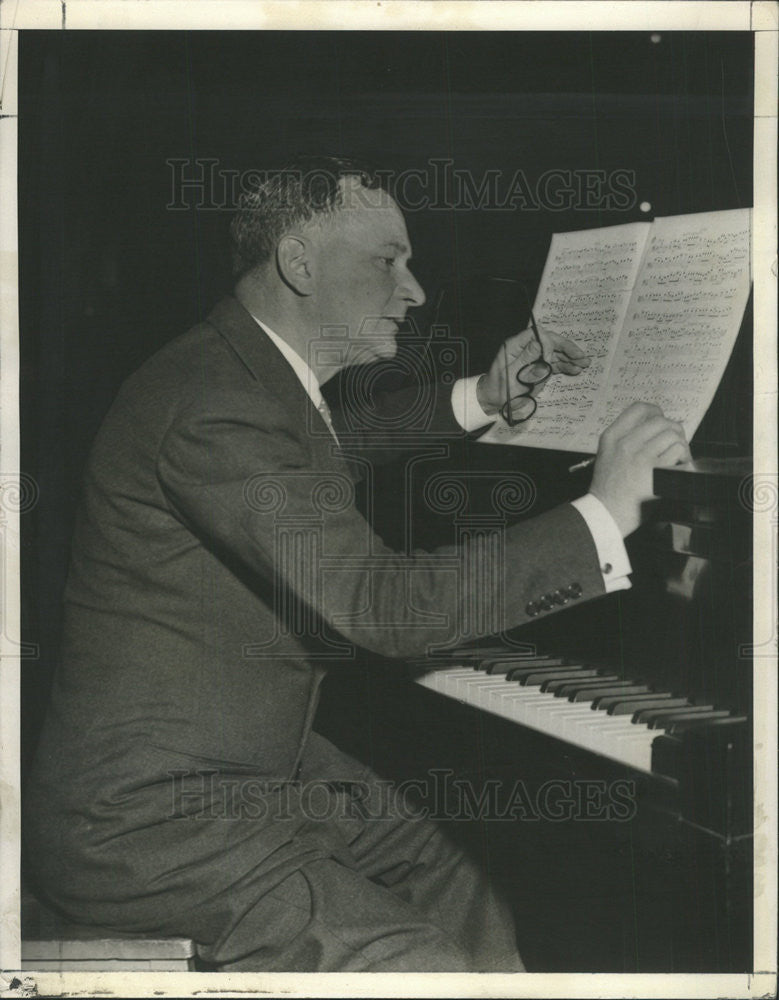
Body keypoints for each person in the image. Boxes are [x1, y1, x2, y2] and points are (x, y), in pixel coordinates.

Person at [24, 156, 690, 972]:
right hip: (147, 820)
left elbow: (322, 441)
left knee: (459, 877)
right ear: (298, 263)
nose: (413, 289)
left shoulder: (236, 368)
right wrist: (606, 512)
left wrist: (482, 395)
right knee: (412, 964)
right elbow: (386, 609)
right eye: (388, 260)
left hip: (244, 764)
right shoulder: (215, 407)